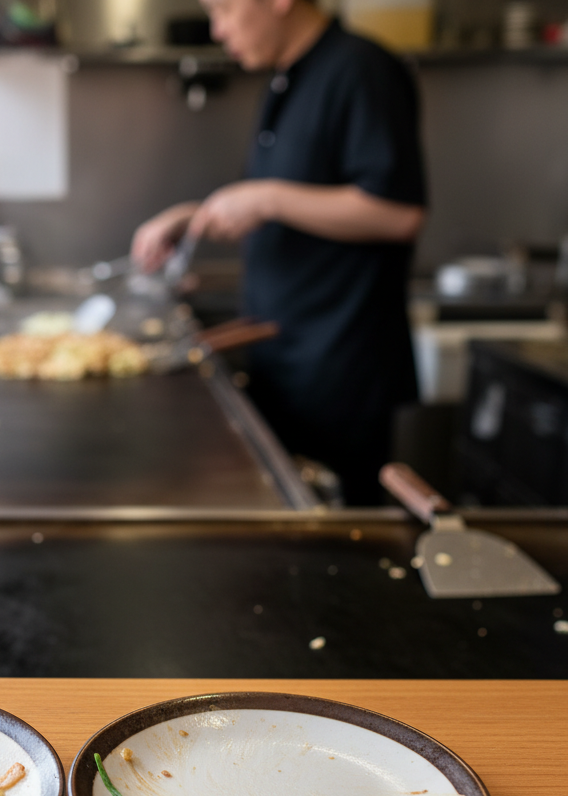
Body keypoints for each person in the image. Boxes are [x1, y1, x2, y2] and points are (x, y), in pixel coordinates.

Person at [131, 0, 427, 505]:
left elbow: (399, 213)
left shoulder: (361, 70)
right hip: (284, 361)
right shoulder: (286, 79)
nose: (218, 30)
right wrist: (192, 216)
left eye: (224, 9)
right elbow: (294, 203)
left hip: (340, 371)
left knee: (337, 539)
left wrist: (266, 198)